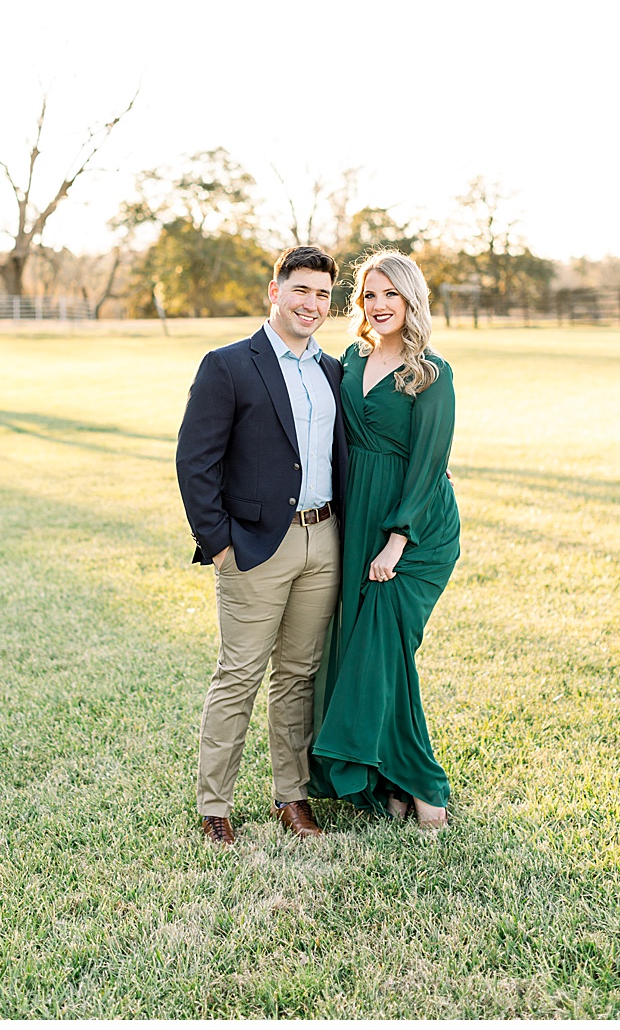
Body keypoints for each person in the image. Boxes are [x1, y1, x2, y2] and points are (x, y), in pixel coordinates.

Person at [176, 245, 347, 846]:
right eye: (301, 290)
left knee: (298, 676)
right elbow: (195, 462)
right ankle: (214, 806)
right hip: (254, 547)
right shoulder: (228, 365)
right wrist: (219, 545)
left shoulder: (333, 371)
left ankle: (291, 799)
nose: (312, 304)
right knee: (239, 675)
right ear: (274, 291)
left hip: (324, 541)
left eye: (323, 294)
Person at [308, 250, 459, 830]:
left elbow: (428, 464)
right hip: (358, 521)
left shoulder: (432, 372)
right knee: (368, 652)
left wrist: (396, 543)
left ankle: (425, 789)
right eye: (370, 294)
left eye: (391, 294)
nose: (379, 305)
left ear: (411, 299)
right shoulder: (351, 358)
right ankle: (386, 782)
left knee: (386, 652)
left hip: (414, 531)